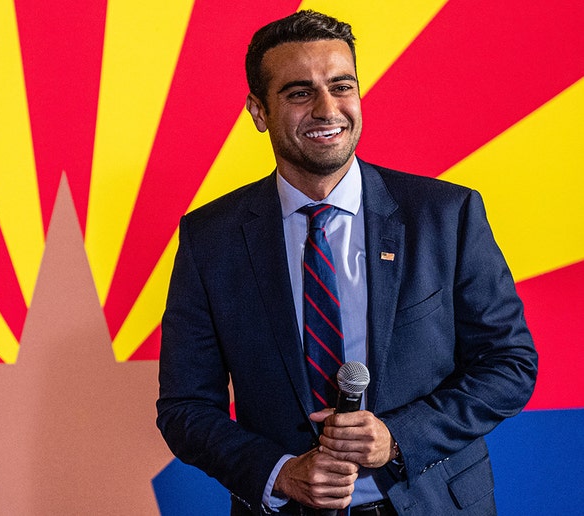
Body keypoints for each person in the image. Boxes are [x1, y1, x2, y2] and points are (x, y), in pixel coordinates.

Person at [156, 10, 537, 516]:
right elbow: (184, 407)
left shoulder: (447, 216)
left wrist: (397, 438)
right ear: (258, 111)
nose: (326, 108)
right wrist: (279, 472)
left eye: (341, 86)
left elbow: (510, 363)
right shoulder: (211, 239)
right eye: (299, 93)